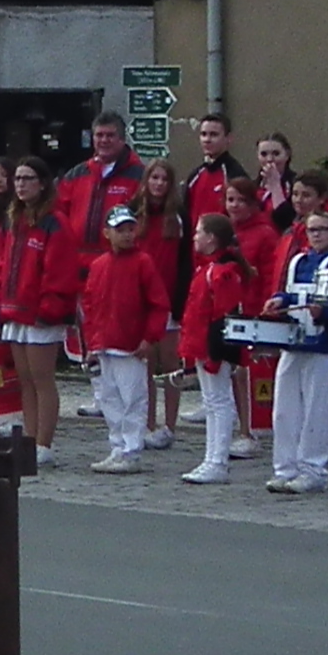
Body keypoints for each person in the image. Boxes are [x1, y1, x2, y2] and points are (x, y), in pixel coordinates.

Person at [265, 207, 328, 495]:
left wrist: (324, 314)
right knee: (284, 409)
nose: (315, 235)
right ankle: (285, 467)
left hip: (322, 345)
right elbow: (292, 293)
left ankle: (313, 468)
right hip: (293, 341)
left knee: (316, 409)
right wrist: (280, 300)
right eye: (311, 230)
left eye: (322, 230)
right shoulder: (299, 262)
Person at [0, 157, 79, 455]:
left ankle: (44, 443)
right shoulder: (15, 220)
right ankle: (28, 439)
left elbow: (59, 272)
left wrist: (49, 309)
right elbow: (4, 266)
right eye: (18, 179)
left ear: (42, 184)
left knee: (42, 380)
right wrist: (2, 306)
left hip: (41, 315)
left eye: (28, 179)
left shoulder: (55, 223)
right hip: (16, 311)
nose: (21, 184)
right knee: (24, 381)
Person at [76, 204, 168, 472]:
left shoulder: (143, 263)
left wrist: (149, 338)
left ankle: (131, 449)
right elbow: (90, 306)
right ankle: (117, 446)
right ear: (107, 233)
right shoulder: (99, 265)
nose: (127, 235)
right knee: (109, 398)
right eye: (120, 230)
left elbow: (158, 304)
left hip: (131, 346)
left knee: (133, 398)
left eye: (130, 229)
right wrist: (92, 342)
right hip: (104, 344)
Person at [175, 209, 261, 486]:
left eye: (199, 231)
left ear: (211, 238)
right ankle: (211, 458)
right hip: (203, 346)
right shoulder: (209, 269)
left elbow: (223, 316)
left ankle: (217, 461)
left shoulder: (222, 272)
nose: (195, 237)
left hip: (213, 348)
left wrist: (216, 353)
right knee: (212, 403)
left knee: (219, 403)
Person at [136, 158, 187, 447]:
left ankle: (169, 424)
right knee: (145, 364)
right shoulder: (134, 213)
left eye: (163, 179)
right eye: (153, 178)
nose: (158, 184)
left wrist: (180, 301)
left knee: (170, 364)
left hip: (168, 298)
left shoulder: (178, 216)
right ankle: (148, 423)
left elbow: (184, 261)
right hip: (141, 299)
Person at [54, 112, 149, 258]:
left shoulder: (139, 176)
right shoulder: (76, 174)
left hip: (119, 260)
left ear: (122, 140)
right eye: (99, 135)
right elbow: (58, 214)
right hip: (77, 262)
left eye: (110, 135)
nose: (104, 140)